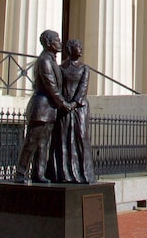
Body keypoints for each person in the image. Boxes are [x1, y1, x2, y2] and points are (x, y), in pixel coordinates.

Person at [15, 29, 74, 183]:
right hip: (41, 107)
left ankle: (38, 173)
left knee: (43, 144)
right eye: (56, 39)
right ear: (48, 42)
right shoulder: (45, 61)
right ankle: (20, 173)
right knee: (31, 142)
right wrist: (63, 104)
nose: (60, 42)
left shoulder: (52, 60)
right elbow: (51, 86)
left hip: (49, 109)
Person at [49, 39, 96, 184]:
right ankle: (64, 173)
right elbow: (56, 86)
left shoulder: (84, 68)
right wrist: (63, 104)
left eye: (81, 47)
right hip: (64, 108)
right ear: (70, 49)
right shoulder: (60, 68)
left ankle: (84, 173)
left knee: (81, 138)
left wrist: (73, 104)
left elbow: (83, 88)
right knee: (62, 140)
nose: (81, 49)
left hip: (79, 108)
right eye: (78, 47)